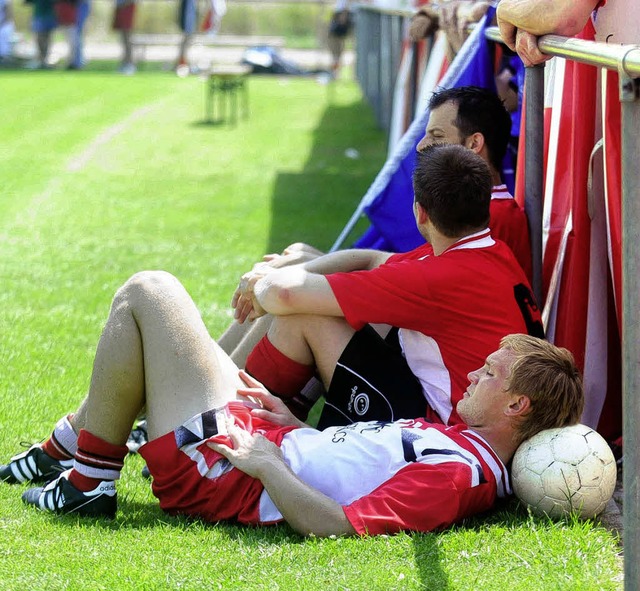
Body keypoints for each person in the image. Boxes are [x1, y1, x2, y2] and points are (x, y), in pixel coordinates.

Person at [0, 268, 583, 534]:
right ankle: (78, 459)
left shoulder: (459, 476)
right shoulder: (465, 448)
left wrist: (271, 464)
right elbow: (360, 459)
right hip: (265, 442)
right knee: (155, 322)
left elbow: (337, 525)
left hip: (231, 473)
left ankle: (85, 477)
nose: (474, 374)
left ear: (516, 409)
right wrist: (290, 426)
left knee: (150, 292)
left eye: (489, 374)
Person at [235, 144, 543, 429]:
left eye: (435, 135)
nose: (423, 142)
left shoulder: (437, 276)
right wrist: (295, 268)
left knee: (304, 316)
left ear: (420, 212)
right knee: (304, 273)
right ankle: (233, 401)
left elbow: (284, 295)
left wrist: (263, 282)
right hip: (487, 420)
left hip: (447, 434)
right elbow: (370, 259)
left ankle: (239, 420)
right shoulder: (489, 251)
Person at [496, 0, 601, 67]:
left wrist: (503, 10)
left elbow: (564, 18)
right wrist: (526, 25)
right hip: (568, 79)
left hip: (604, 75)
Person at [327, 0, 353, 79]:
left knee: (337, 56)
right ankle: (335, 74)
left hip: (339, 30)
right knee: (336, 56)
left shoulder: (344, 11)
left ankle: (335, 74)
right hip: (337, 31)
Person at [113, 0, 136, 75]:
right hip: (120, 7)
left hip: (127, 7)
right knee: (123, 39)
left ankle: (129, 64)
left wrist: (123, 5)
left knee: (127, 38)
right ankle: (124, 63)